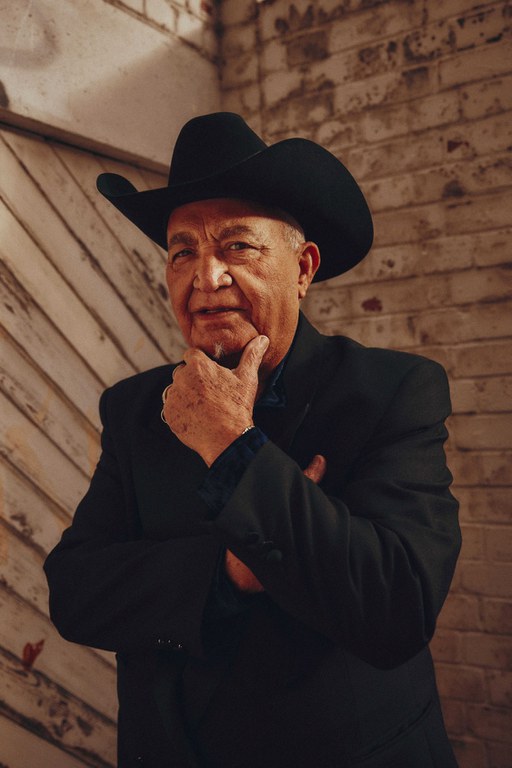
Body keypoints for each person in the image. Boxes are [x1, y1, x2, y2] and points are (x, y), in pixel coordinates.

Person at [44, 112, 461, 768]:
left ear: (303, 268)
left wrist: (233, 445)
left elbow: (395, 608)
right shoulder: (134, 408)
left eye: (237, 246)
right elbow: (75, 593)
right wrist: (232, 571)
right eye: (183, 251)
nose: (205, 278)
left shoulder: (391, 393)